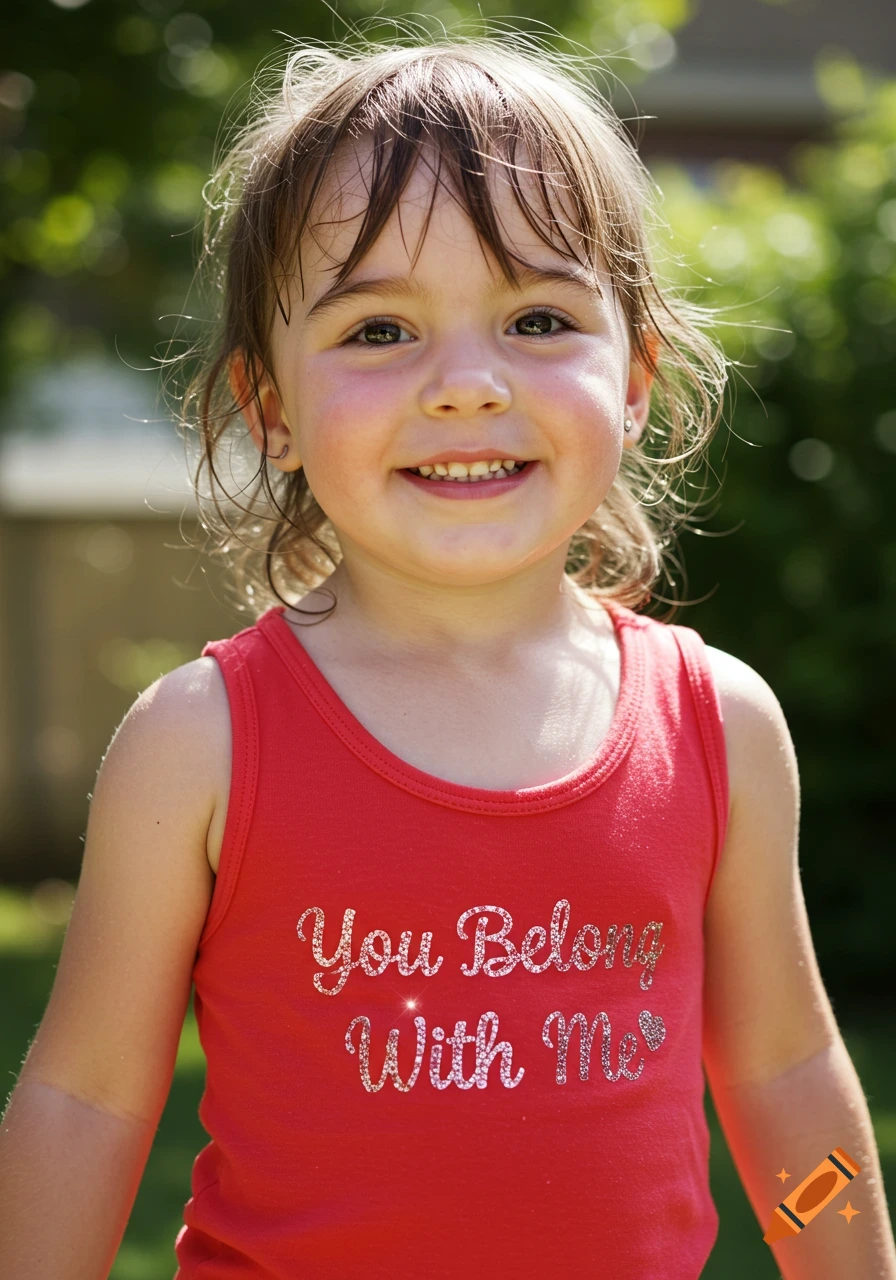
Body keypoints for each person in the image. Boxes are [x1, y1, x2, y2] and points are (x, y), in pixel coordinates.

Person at [1, 27, 894, 1280]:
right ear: (272, 409)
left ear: (633, 377)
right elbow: (85, 1098)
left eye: (536, 316)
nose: (466, 384)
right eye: (378, 331)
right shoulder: (200, 739)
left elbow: (783, 1070)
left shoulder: (716, 723)